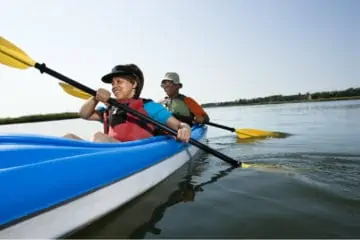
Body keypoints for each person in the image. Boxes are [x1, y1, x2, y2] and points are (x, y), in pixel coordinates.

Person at [63, 64, 191, 143]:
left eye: (119, 82)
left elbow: (179, 125)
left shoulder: (149, 107)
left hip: (135, 154)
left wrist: (185, 128)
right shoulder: (109, 108)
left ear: (134, 84)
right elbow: (84, 114)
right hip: (112, 152)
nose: (114, 86)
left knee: (98, 137)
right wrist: (95, 98)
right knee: (68, 138)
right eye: (112, 83)